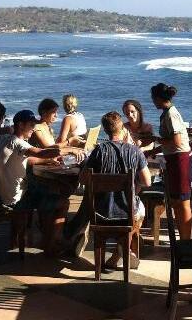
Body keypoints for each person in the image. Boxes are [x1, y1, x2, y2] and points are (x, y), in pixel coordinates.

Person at [75, 111, 151, 268]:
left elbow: (82, 179)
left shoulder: (99, 151)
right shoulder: (134, 151)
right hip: (125, 212)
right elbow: (147, 181)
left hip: (100, 211)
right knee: (140, 210)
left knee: (133, 207)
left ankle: (118, 252)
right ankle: (121, 248)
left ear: (105, 130)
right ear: (122, 127)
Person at [0, 110, 68, 255]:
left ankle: (46, 237)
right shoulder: (19, 143)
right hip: (18, 200)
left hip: (4, 194)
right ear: (21, 125)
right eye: (31, 125)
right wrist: (67, 149)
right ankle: (53, 243)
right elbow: (40, 153)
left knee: (46, 191)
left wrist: (49, 160)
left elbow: (29, 158)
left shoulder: (6, 140)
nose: (34, 128)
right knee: (63, 202)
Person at [151, 82, 192, 239]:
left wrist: (158, 141)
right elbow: (170, 141)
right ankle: (183, 236)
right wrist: (156, 149)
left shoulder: (171, 115)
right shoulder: (167, 113)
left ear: (158, 98)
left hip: (179, 161)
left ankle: (187, 239)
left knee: (183, 203)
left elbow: (176, 141)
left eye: (153, 98)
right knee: (176, 201)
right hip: (173, 159)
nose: (152, 101)